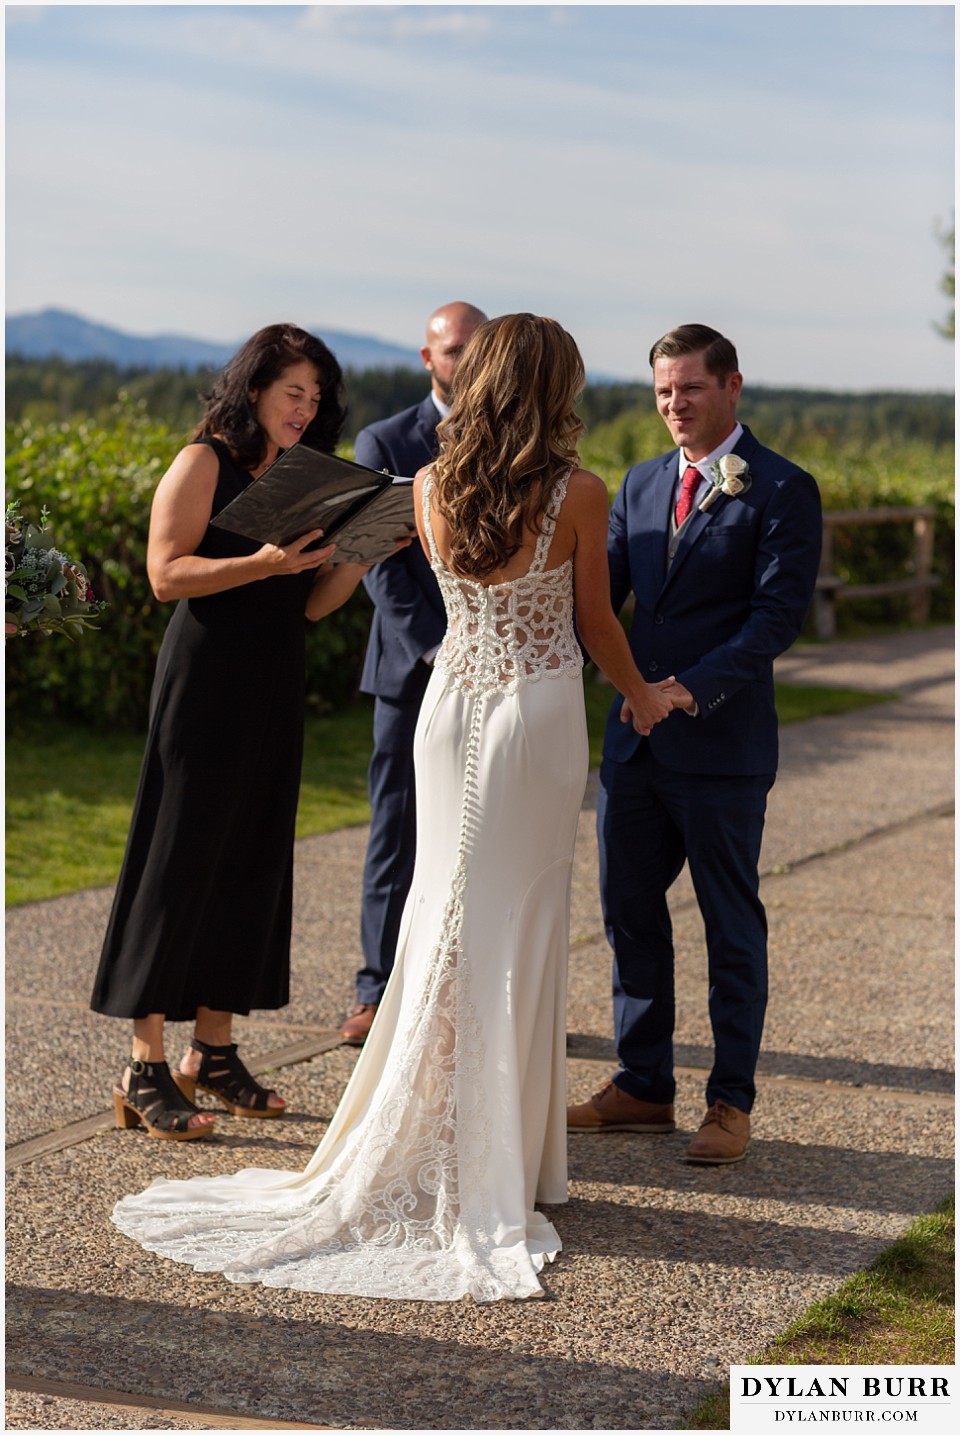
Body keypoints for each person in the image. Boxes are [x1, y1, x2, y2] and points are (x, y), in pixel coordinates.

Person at [110, 313, 677, 1301]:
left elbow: (337, 584)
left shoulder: (421, 485)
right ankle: (500, 1150)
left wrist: (300, 551)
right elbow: (593, 623)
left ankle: (440, 1126)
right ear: (553, 389)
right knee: (511, 917)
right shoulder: (578, 492)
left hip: (448, 708)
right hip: (532, 715)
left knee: (442, 915)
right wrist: (641, 691)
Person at [91, 324, 397, 1140]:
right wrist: (260, 561)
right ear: (254, 388)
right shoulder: (203, 463)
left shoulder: (307, 479)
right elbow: (165, 575)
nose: (307, 408)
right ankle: (144, 1064)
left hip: (273, 679)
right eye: (294, 392)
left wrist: (363, 552)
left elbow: (310, 603)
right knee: (178, 860)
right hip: (204, 683)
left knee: (250, 857)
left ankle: (214, 1052)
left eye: (317, 397)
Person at [567, 323, 822, 1164]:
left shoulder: (783, 488)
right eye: (664, 391)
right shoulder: (639, 485)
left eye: (692, 388)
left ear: (732, 386)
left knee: (728, 924)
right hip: (636, 746)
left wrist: (690, 687)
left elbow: (774, 619)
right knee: (629, 914)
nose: (676, 404)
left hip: (721, 749)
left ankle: (729, 1101)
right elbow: (598, 599)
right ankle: (642, 1083)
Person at [343, 301, 487, 1047]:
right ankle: (376, 990)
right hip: (411, 667)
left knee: (478, 835)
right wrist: (436, 646)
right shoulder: (384, 440)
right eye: (454, 350)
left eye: (477, 349)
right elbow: (376, 564)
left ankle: (460, 989)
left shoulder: (506, 442)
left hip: (494, 673)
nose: (465, 362)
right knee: (397, 829)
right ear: (428, 358)